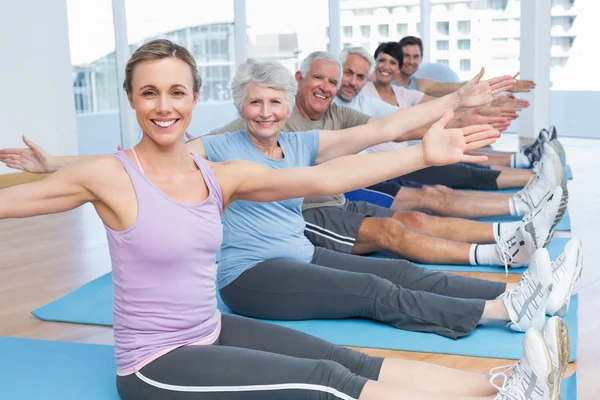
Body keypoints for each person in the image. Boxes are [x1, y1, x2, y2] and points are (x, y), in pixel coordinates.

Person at [0, 39, 574, 400]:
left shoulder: (218, 177)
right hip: (154, 365)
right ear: (130, 99)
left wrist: (427, 148)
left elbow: (325, 180)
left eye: (177, 91)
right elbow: (16, 201)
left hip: (209, 328)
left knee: (339, 357)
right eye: (149, 93)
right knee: (326, 383)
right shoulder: (111, 175)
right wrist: (51, 163)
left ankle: (500, 389)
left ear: (194, 98)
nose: (164, 105)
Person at [0, 52, 567, 267]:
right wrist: (53, 162)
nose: (268, 112)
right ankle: (503, 248)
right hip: (292, 232)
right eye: (258, 103)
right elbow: (125, 165)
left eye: (274, 103)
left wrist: (457, 100)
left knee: (420, 202)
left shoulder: (309, 137)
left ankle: (511, 230)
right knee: (410, 215)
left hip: (317, 209)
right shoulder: (219, 145)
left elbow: (380, 133)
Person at [333, 47, 566, 218]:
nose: (353, 80)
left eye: (394, 62)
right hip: (392, 164)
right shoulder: (356, 98)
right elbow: (397, 129)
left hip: (402, 159)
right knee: (449, 185)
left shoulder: (397, 93)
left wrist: (464, 118)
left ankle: (530, 182)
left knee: (464, 169)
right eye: (382, 61)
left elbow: (412, 118)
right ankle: (530, 185)